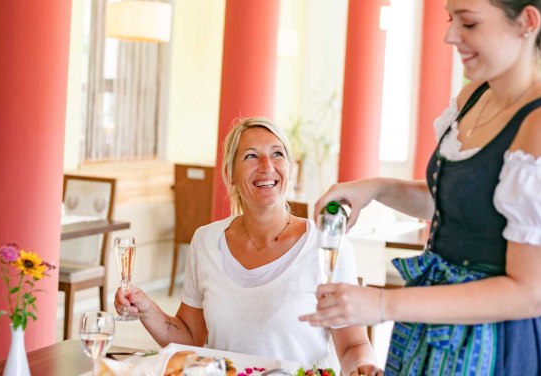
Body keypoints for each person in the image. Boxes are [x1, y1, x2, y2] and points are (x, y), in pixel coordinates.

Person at [300, 0, 541, 375]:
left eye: (469, 22)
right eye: (450, 19)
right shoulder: (472, 98)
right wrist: (375, 188)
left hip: (490, 345)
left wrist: (383, 302)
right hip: (431, 327)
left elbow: (531, 292)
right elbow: (457, 202)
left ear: (527, 22)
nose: (449, 36)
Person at [115, 117, 382, 375]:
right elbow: (191, 339)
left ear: (290, 168)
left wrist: (363, 368)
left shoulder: (327, 246)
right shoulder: (206, 241)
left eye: (277, 154)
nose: (267, 166)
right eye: (251, 156)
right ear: (230, 173)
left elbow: (353, 345)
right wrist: (148, 309)